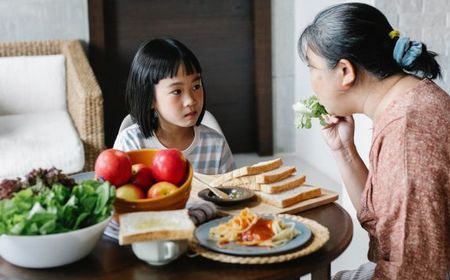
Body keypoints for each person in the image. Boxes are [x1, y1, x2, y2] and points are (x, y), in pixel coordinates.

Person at [298, 3, 449, 280]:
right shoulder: (408, 100)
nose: (311, 81)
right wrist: (343, 149)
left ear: (345, 71)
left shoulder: (408, 136)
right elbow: (382, 224)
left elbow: (416, 272)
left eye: (312, 68)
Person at [113, 38, 235, 175]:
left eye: (196, 86)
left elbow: (232, 192)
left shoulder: (216, 145)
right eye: (177, 91)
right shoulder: (131, 143)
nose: (190, 101)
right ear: (150, 99)